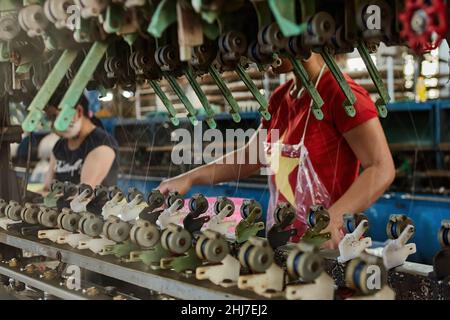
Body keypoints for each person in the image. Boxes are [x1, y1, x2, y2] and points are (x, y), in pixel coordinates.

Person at [158, 53, 395, 249]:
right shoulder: (281, 98)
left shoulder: (341, 95)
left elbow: (381, 168)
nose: (261, 53)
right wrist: (189, 178)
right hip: (285, 242)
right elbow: (251, 156)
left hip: (329, 246)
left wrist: (331, 220)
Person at [43, 93, 119, 191]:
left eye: (54, 116)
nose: (52, 125)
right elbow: (47, 188)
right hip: (60, 206)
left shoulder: (101, 144)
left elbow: (83, 196)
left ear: (78, 112)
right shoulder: (59, 146)